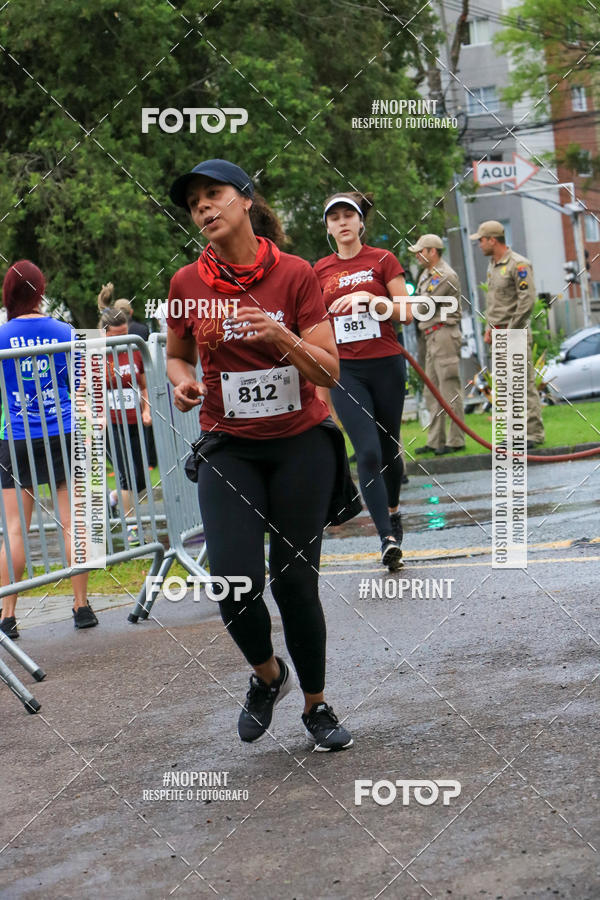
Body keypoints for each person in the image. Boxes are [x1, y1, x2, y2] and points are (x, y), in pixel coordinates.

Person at [166, 158, 354, 751]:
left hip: (301, 445)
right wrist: (182, 383)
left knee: (295, 583)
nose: (203, 206)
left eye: (213, 193)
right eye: (193, 202)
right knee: (232, 579)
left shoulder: (296, 274)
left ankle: (317, 707)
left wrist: (281, 336)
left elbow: (329, 369)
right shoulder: (186, 284)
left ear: (246, 199)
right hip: (230, 449)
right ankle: (268, 676)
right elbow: (177, 355)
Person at [313, 192, 413, 570]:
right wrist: (320, 392)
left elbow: (405, 312)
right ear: (328, 228)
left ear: (360, 222)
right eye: (334, 218)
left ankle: (393, 511)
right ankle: (386, 537)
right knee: (367, 453)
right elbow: (314, 331)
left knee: (389, 451)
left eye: (348, 215)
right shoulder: (319, 270)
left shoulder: (383, 260)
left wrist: (368, 300)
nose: (342, 222)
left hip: (386, 365)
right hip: (346, 372)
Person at [0, 261, 97, 639]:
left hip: (16, 436)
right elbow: (83, 385)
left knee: (14, 530)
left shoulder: (2, 335)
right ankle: (81, 606)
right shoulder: (65, 331)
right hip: (64, 430)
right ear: (40, 291)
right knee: (74, 523)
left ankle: (7, 615)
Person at [470, 220, 545, 448]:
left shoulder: (519, 264)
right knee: (505, 387)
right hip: (498, 334)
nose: (479, 245)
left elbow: (527, 301)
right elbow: (494, 303)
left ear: (493, 240)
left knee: (523, 384)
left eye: (481, 240)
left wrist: (511, 330)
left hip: (514, 332)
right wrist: (488, 329)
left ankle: (533, 433)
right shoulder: (493, 266)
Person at [408, 234, 465, 455]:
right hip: (431, 335)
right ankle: (435, 441)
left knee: (449, 388)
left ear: (432, 251)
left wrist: (396, 306)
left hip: (444, 335)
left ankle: (456, 440)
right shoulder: (427, 275)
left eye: (420, 251)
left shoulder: (444, 275)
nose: (417, 256)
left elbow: (424, 306)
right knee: (432, 391)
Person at [100, 308, 152, 545]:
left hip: (135, 422)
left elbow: (144, 385)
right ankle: (132, 529)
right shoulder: (96, 356)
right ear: (105, 334)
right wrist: (97, 416)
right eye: (117, 335)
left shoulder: (134, 350)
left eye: (125, 333)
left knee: (140, 479)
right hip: (111, 425)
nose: (123, 339)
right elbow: (84, 394)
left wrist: (147, 410)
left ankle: (112, 500)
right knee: (126, 476)